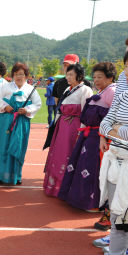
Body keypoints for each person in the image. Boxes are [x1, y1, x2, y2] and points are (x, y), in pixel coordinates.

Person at [58, 62, 116, 211]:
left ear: (110, 78)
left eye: (100, 77)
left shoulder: (112, 91)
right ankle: (82, 199)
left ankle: (93, 203)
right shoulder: (102, 91)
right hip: (89, 135)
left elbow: (113, 117)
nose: (96, 80)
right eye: (95, 77)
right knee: (83, 167)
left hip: (99, 137)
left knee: (92, 168)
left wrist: (104, 136)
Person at [43, 63, 93, 197]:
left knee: (67, 157)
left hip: (73, 129)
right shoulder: (67, 90)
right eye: (67, 74)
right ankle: (54, 187)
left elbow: (85, 113)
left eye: (71, 74)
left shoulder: (85, 90)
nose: (68, 77)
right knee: (58, 155)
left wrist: (81, 133)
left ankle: (65, 189)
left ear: (79, 75)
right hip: (62, 127)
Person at [0, 63, 42, 185]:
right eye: (16, 74)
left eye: (22, 74)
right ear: (13, 75)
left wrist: (27, 110)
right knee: (3, 146)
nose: (19, 77)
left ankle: (16, 176)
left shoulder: (30, 89)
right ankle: (1, 175)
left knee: (19, 147)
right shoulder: (6, 87)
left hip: (21, 121)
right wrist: (5, 106)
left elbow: (37, 103)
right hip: (7, 120)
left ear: (26, 76)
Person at [98, 62, 128, 255]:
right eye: (127, 66)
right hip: (116, 162)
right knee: (118, 217)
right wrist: (116, 129)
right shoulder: (123, 96)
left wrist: (115, 129)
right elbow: (103, 125)